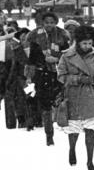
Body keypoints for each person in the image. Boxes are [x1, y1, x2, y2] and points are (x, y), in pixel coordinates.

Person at [57, 26, 94, 170]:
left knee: (91, 128)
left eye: (90, 43)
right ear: (77, 42)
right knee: (74, 128)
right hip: (73, 95)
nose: (88, 47)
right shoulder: (66, 56)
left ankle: (90, 161)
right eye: (84, 44)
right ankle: (72, 149)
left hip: (90, 96)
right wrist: (78, 79)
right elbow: (61, 76)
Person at [25, 11, 71, 146]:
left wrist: (56, 59)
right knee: (45, 105)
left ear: (56, 23)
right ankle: (49, 134)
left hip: (58, 73)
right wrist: (31, 74)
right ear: (42, 23)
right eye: (46, 22)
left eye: (52, 22)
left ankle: (64, 126)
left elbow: (67, 55)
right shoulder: (35, 36)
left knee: (59, 101)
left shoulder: (62, 36)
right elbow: (32, 58)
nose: (49, 25)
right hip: (42, 74)